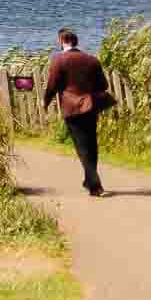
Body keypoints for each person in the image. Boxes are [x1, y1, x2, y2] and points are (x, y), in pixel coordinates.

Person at [43, 27, 111, 196]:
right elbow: (103, 85)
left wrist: (46, 101)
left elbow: (52, 85)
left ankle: (95, 185)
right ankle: (90, 180)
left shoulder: (59, 61)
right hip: (90, 106)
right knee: (91, 144)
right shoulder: (92, 60)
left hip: (72, 108)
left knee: (82, 146)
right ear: (76, 41)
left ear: (61, 41)